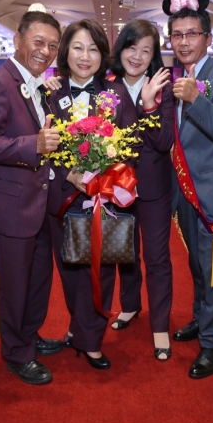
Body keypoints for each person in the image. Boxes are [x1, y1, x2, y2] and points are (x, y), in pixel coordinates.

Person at [0, 11, 64, 386]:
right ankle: (16, 353)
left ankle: (29, 336)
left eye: (52, 45)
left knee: (38, 279)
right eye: (38, 42)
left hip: (38, 202)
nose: (45, 51)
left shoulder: (37, 85)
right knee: (14, 285)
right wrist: (33, 145)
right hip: (10, 206)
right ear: (17, 40)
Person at [43, 19, 138, 372]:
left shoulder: (116, 94)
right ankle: (78, 326)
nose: (85, 56)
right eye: (78, 48)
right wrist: (68, 173)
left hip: (104, 199)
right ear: (66, 52)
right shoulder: (50, 94)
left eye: (93, 49)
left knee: (101, 269)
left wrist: (108, 173)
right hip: (62, 197)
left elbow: (132, 143)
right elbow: (40, 145)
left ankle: (91, 340)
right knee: (69, 269)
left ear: (103, 55)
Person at [161, 0, 213, 379]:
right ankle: (201, 318)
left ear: (207, 38)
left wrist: (197, 99)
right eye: (177, 35)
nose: (184, 42)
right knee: (197, 265)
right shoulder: (172, 78)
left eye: (192, 34)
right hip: (183, 192)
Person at [108, 19, 174, 361]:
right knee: (125, 253)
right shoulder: (107, 85)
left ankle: (160, 325)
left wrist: (149, 104)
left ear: (154, 56)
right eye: (131, 48)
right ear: (121, 49)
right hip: (115, 185)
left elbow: (163, 142)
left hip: (153, 186)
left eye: (146, 51)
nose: (137, 56)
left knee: (157, 258)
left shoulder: (163, 87)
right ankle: (130, 304)